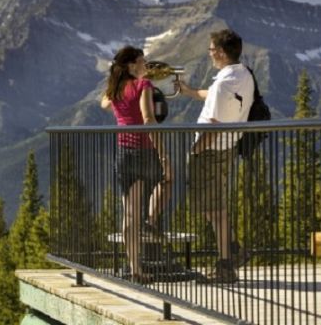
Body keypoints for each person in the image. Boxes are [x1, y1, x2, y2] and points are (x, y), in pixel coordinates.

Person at [177, 29, 254, 283]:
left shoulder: (223, 83)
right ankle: (232, 250)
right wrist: (189, 92)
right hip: (228, 148)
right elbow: (214, 97)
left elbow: (214, 124)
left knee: (215, 209)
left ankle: (225, 266)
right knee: (213, 206)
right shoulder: (242, 74)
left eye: (211, 50)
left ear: (221, 52)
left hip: (210, 151)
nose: (209, 54)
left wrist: (196, 149)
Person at [101, 46, 172, 284]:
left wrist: (116, 79)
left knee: (128, 214)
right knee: (166, 180)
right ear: (131, 65)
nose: (146, 66)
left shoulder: (114, 89)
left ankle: (135, 267)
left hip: (123, 152)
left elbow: (103, 102)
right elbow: (148, 118)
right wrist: (163, 155)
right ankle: (150, 222)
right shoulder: (143, 86)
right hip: (143, 151)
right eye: (142, 62)